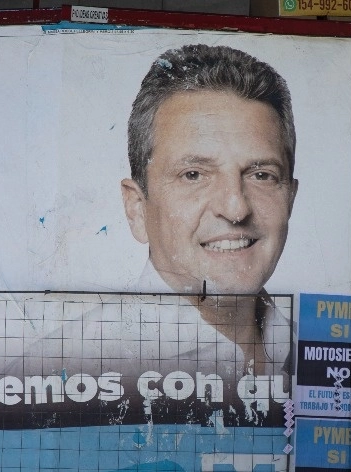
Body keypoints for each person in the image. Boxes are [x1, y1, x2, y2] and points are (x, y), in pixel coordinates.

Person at [120, 43, 298, 378]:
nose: (235, 208)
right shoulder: (64, 364)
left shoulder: (331, 359)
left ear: (290, 198)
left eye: (261, 175)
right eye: (194, 175)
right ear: (137, 209)